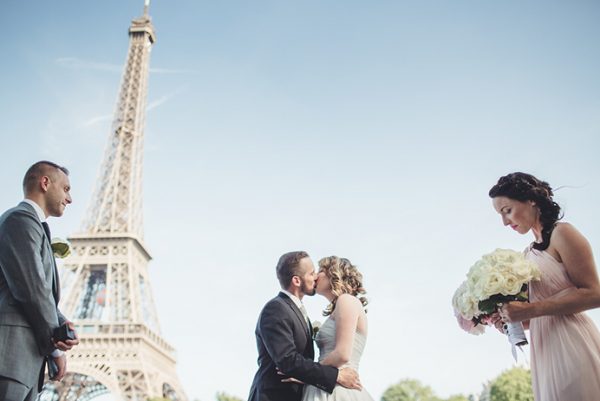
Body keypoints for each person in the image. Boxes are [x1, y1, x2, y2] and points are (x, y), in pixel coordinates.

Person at [490, 172, 600, 401]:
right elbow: (538, 315)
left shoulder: (563, 233)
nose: (504, 222)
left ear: (531, 199)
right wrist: (512, 321)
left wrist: (531, 309)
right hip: (543, 351)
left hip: (572, 343)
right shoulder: (526, 255)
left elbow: (594, 294)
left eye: (506, 211)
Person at [0, 161, 79, 401]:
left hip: (23, 363)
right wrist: (54, 348)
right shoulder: (19, 220)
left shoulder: (29, 225)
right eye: (65, 189)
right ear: (45, 183)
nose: (70, 198)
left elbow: (35, 290)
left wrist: (62, 321)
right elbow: (32, 289)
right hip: (10, 358)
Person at [248, 251, 361, 401]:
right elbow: (287, 360)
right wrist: (336, 376)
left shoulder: (298, 312)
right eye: (312, 273)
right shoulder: (276, 308)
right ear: (296, 280)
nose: (316, 277)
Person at [293, 256, 374, 401]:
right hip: (325, 385)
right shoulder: (339, 307)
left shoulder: (347, 300)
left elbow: (342, 354)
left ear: (334, 274)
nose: (316, 276)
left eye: (321, 270)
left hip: (338, 390)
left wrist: (306, 374)